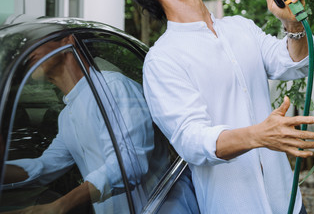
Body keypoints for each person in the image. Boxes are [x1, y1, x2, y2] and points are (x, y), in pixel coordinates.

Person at [123, 0, 314, 214]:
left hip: (288, 202)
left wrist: (291, 22)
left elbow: (294, 62)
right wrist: (259, 136)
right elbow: (192, 140)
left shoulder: (240, 27)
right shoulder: (163, 59)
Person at [2, 35, 198, 213]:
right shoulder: (66, 116)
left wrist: (60, 206)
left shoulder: (113, 87)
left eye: (36, 40)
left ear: (68, 41)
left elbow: (129, 165)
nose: (27, 49)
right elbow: (44, 166)